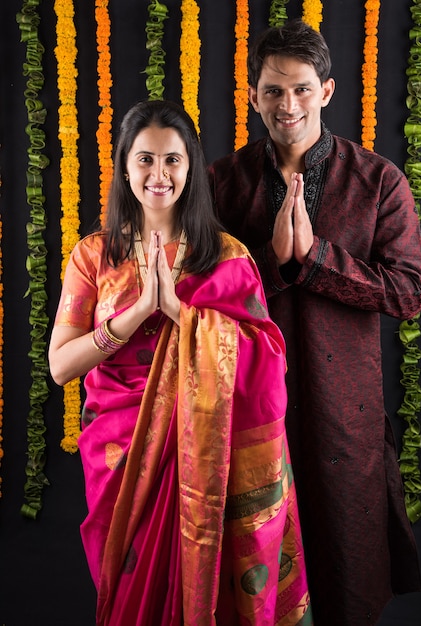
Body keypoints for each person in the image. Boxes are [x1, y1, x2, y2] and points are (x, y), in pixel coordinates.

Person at [48, 99, 313, 626]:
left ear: (190, 167)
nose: (158, 174)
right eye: (145, 159)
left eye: (172, 160)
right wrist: (138, 312)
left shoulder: (227, 258)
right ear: (124, 167)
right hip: (121, 461)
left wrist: (177, 309)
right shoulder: (93, 255)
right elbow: (60, 367)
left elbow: (269, 368)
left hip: (204, 461)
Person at [208, 19, 421, 626]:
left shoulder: (378, 181)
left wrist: (318, 262)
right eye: (274, 91)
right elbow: (198, 297)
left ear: (327, 91)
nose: (288, 105)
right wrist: (273, 269)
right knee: (253, 579)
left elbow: (410, 292)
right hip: (250, 410)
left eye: (302, 89)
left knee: (346, 572)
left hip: (344, 413)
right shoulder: (222, 185)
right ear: (253, 95)